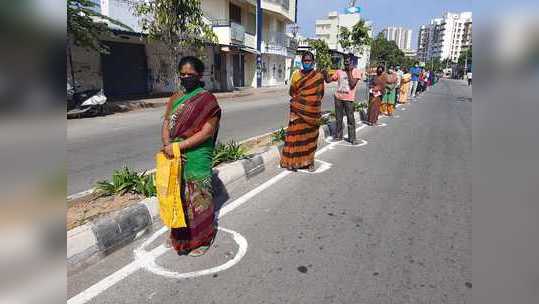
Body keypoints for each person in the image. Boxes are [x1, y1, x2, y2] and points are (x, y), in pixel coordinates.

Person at [161, 56, 221, 257]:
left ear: (200, 75)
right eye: (183, 74)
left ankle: (204, 237)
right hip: (175, 154)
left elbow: (207, 132)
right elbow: (166, 123)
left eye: (190, 74)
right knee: (177, 196)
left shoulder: (207, 99)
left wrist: (180, 146)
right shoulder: (175, 98)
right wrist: (169, 146)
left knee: (199, 197)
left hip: (197, 154)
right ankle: (180, 235)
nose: (186, 77)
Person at [280, 51, 328, 172]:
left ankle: (310, 162)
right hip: (297, 112)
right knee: (295, 137)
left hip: (312, 113)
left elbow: (320, 94)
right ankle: (294, 162)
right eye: (305, 61)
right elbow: (291, 92)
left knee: (310, 138)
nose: (307, 62)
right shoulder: (296, 75)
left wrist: (309, 105)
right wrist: (300, 103)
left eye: (309, 61)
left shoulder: (318, 77)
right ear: (302, 62)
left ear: (313, 62)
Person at [329, 53, 362, 144]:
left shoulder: (356, 71)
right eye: (345, 61)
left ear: (352, 62)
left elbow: (352, 85)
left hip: (349, 99)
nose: (346, 63)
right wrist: (324, 74)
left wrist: (349, 71)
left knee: (350, 118)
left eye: (348, 61)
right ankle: (338, 136)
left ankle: (352, 138)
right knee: (338, 118)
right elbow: (329, 80)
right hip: (338, 97)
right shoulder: (339, 71)